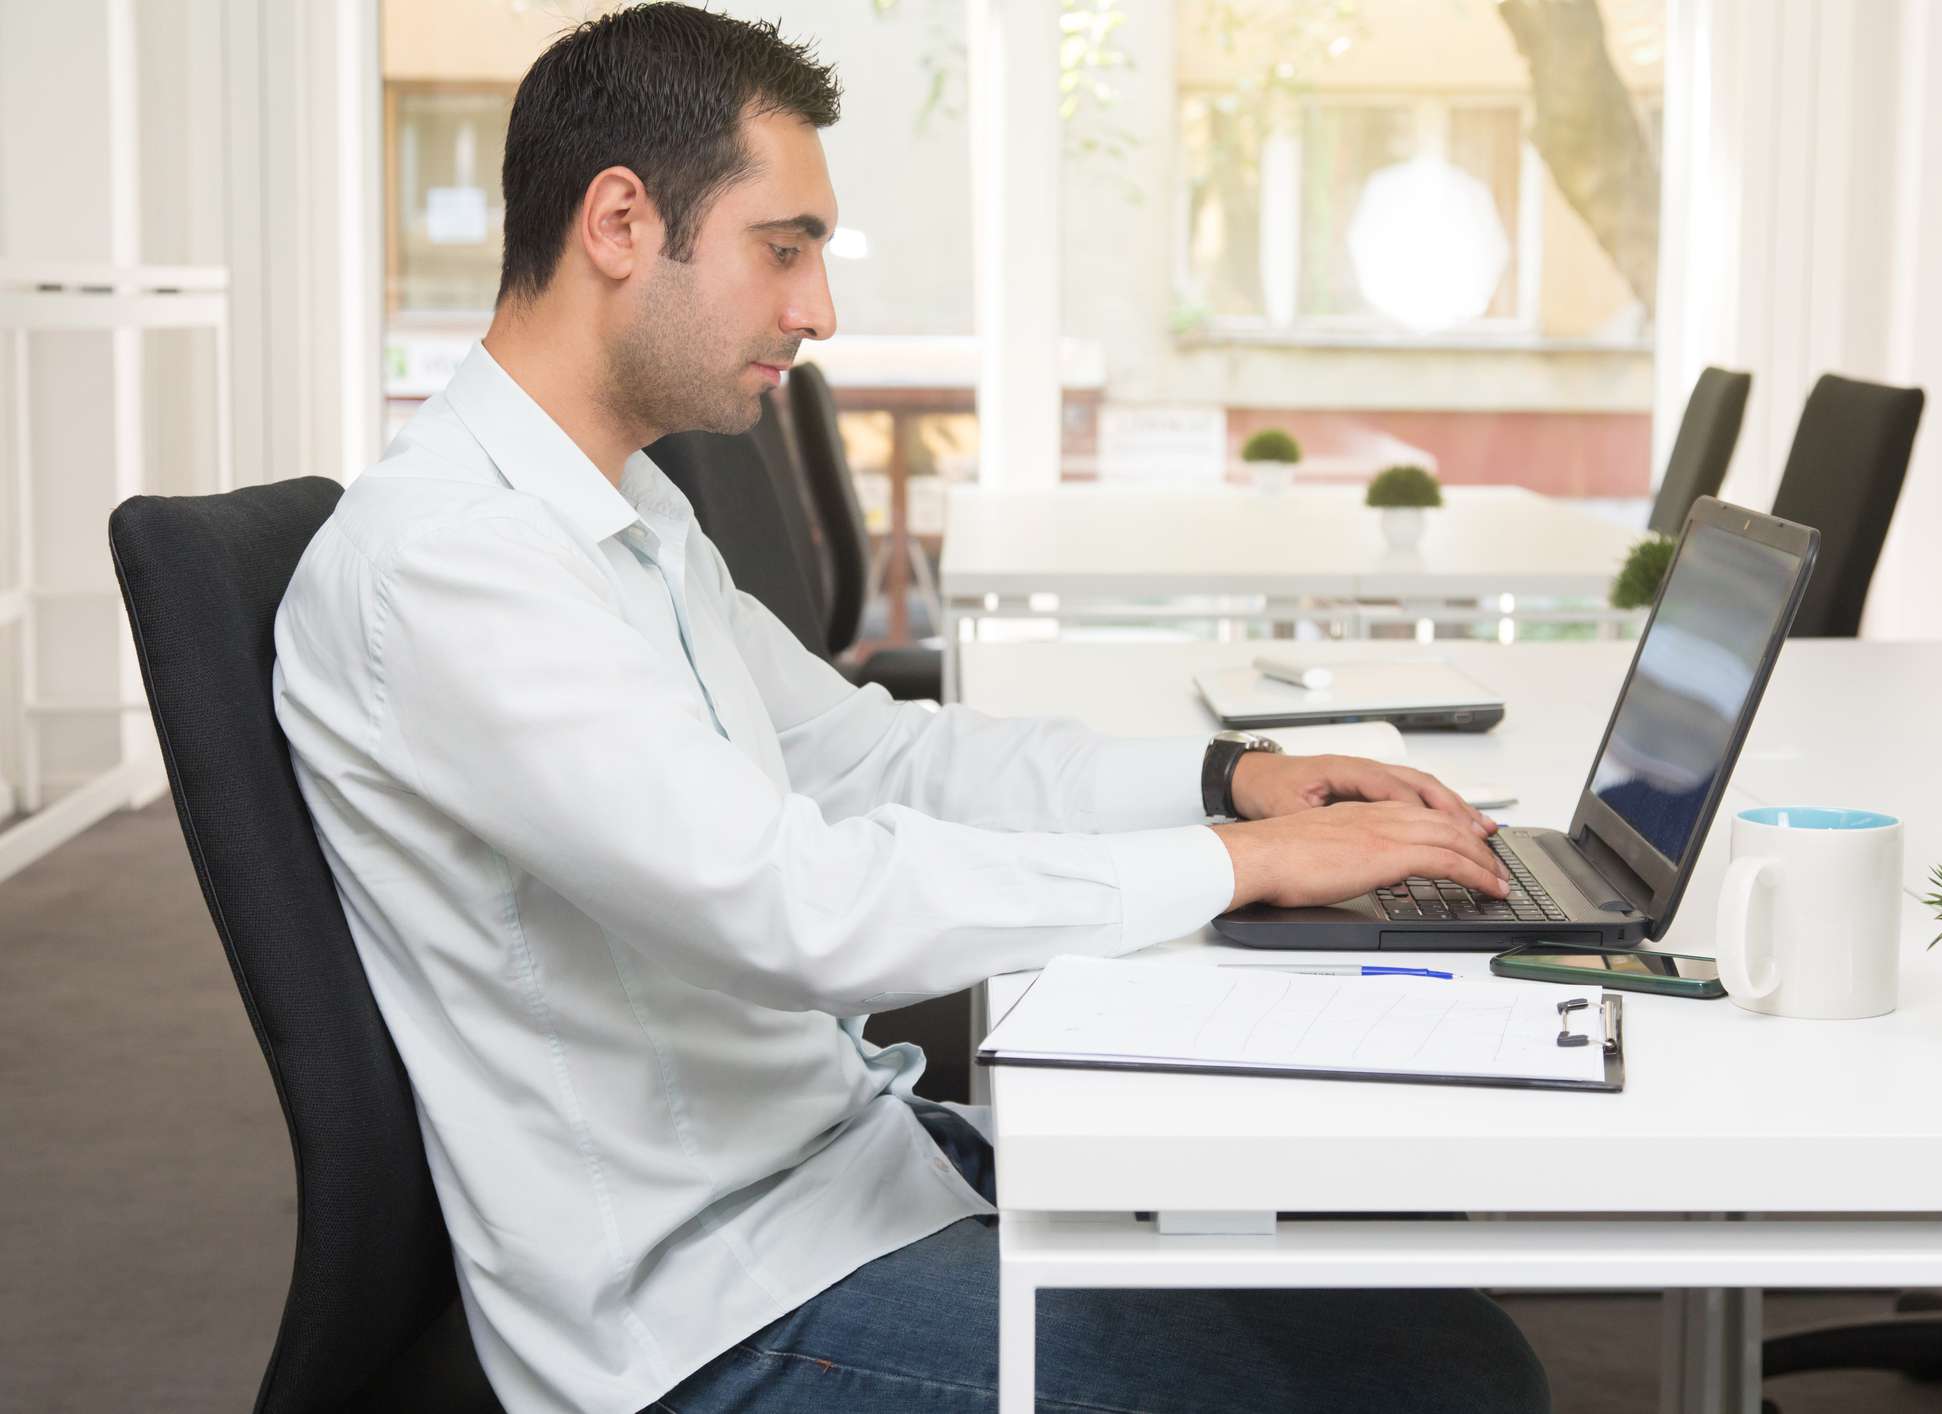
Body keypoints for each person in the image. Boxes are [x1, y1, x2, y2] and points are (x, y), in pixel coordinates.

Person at [272, 7, 1548, 1412]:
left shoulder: (614, 513)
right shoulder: (451, 564)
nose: (817, 310)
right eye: (785, 247)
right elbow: (791, 905)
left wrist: (1224, 779)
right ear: (622, 223)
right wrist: (1235, 868)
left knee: (1429, 1334)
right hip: (711, 1303)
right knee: (1439, 1388)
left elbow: (872, 753)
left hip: (845, 1168)